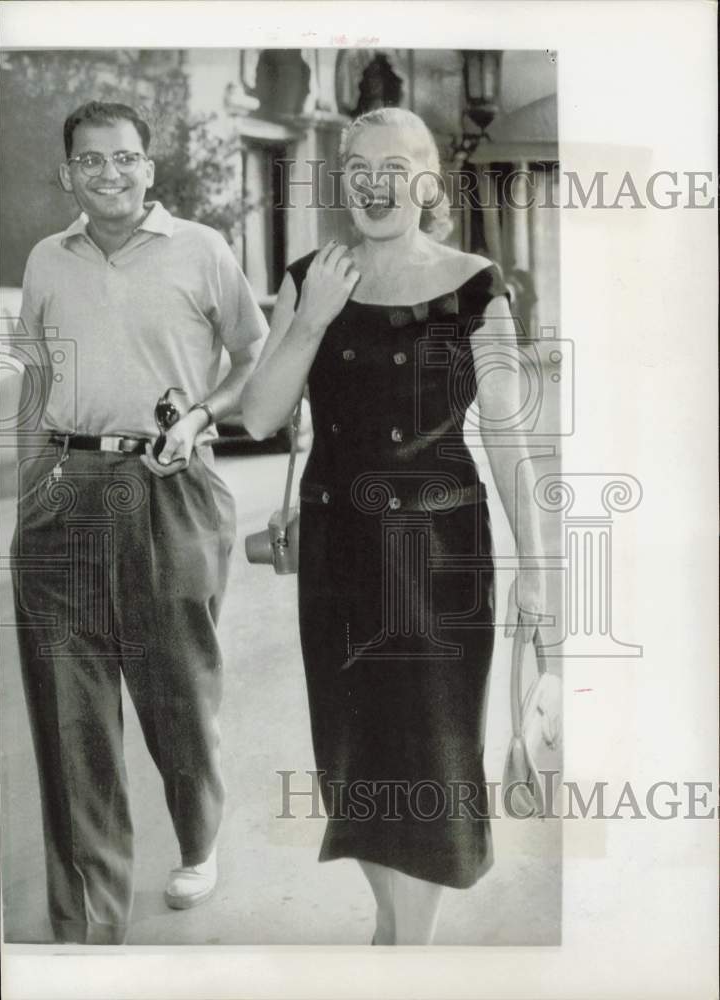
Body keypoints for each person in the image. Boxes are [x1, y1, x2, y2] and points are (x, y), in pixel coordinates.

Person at [241, 107, 545, 945]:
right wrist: (310, 317)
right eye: (357, 166)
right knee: (353, 761)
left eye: (395, 165)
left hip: (440, 557)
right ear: (343, 182)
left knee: (431, 759)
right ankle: (396, 933)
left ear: (426, 181)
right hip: (340, 553)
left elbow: (511, 440)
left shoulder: (476, 284)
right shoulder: (312, 276)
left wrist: (543, 576)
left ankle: (407, 949)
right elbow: (263, 412)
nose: (374, 183)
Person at [10, 100, 267, 944]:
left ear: (149, 169)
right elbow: (37, 378)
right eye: (90, 162)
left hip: (171, 488)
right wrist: (28, 484)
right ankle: (88, 922)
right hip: (62, 487)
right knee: (68, 710)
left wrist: (200, 417)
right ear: (68, 174)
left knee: (176, 694)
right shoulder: (48, 259)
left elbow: (250, 356)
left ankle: (197, 836)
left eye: (123, 159)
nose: (108, 175)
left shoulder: (202, 251)